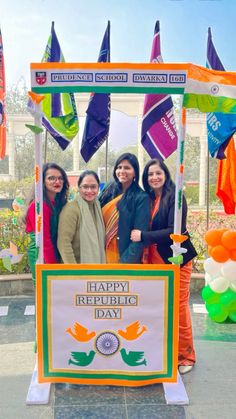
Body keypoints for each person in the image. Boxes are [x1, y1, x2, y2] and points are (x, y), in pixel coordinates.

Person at [131, 158, 197, 374]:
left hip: (177, 258)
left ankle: (186, 356)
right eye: (150, 174)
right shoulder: (149, 198)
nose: (154, 177)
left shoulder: (176, 197)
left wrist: (143, 236)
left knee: (178, 307)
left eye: (158, 173)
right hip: (155, 261)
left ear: (166, 175)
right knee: (159, 308)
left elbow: (173, 230)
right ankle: (165, 351)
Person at [99, 153, 150, 263]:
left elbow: (138, 237)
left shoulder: (141, 198)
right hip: (100, 254)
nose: (122, 171)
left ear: (135, 172)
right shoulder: (108, 189)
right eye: (119, 167)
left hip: (123, 257)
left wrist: (124, 263)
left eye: (127, 168)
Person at [25, 162, 69, 284]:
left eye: (60, 178)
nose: (57, 182)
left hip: (54, 250)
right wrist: (53, 268)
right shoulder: (39, 206)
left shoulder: (59, 202)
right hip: (41, 254)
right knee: (45, 294)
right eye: (51, 178)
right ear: (42, 182)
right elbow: (44, 241)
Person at [57, 170, 106, 264]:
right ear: (79, 188)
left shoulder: (97, 206)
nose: (89, 191)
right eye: (85, 187)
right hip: (76, 271)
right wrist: (75, 272)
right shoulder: (71, 209)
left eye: (93, 187)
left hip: (95, 270)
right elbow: (63, 244)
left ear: (98, 187)